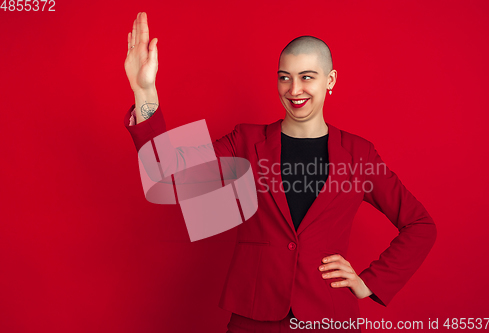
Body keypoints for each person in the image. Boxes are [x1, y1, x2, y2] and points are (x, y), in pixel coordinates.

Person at [123, 12, 437, 333]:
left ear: (330, 81)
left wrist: (368, 283)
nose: (294, 89)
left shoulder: (359, 153)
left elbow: (420, 225)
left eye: (307, 77)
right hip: (254, 317)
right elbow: (171, 173)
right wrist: (144, 91)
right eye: (284, 77)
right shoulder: (246, 140)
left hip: (329, 317)